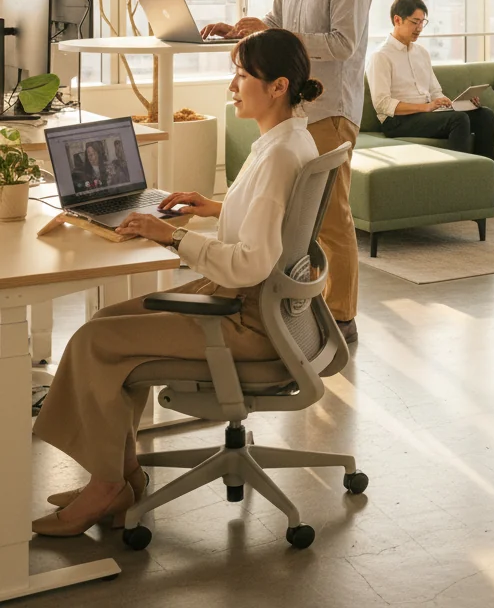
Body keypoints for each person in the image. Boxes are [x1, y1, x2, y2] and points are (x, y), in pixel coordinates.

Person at [31, 28, 324, 537]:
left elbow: (250, 264)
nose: (232, 86)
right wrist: (213, 207)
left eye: (241, 75)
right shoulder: (290, 138)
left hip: (243, 317)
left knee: (95, 341)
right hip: (258, 305)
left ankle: (107, 488)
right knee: (105, 321)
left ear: (278, 86)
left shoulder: (276, 155)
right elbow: (266, 223)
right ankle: (120, 476)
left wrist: (170, 237)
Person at [203, 0, 371, 343]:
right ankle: (303, 306)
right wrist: (249, 32)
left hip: (330, 109)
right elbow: (277, 25)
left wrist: (284, 36)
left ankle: (342, 316)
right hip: (295, 112)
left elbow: (343, 43)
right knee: (298, 220)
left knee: (330, 216)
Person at [366, 0, 494, 209]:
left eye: (422, 22)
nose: (419, 28)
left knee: (484, 115)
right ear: (397, 20)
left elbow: (434, 91)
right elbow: (382, 104)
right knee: (459, 120)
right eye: (414, 22)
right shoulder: (381, 56)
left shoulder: (421, 53)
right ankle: (458, 192)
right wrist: (424, 107)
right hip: (397, 120)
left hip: (426, 114)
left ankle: (486, 188)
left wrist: (455, 102)